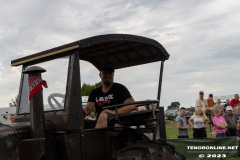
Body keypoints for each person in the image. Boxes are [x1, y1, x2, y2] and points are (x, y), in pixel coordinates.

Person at [83, 64, 136, 129]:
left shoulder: (120, 88)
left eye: (110, 73)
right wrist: (83, 112)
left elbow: (132, 105)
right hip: (99, 122)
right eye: (104, 73)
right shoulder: (95, 92)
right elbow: (88, 108)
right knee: (79, 123)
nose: (107, 75)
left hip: (116, 122)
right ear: (100, 75)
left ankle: (97, 138)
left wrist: (113, 112)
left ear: (113, 75)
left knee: (104, 114)